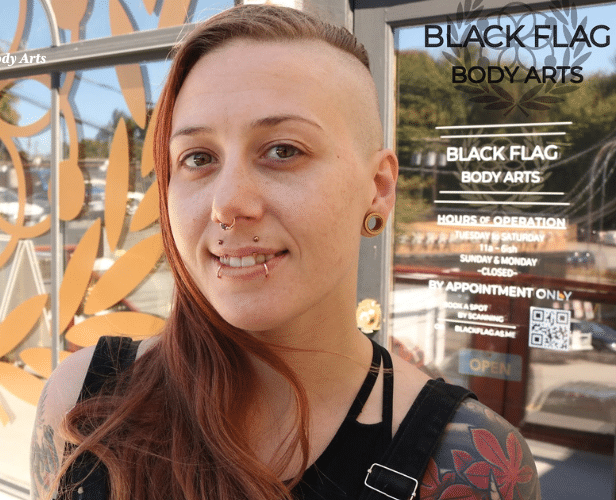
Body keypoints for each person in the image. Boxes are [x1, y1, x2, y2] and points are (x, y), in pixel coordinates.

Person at [31, 5, 541, 500]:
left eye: (283, 150)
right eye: (198, 158)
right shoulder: (84, 402)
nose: (227, 205)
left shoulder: (469, 463)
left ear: (379, 189)